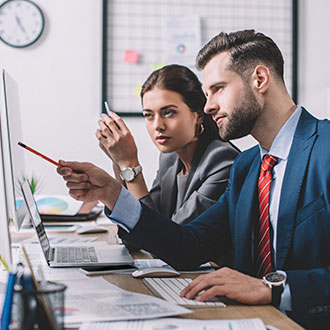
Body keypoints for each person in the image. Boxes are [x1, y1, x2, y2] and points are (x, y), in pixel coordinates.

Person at [58, 30, 330, 329]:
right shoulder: (247, 166)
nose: (209, 106)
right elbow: (189, 245)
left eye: (218, 89)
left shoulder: (324, 147)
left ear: (260, 79)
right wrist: (112, 194)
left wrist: (272, 288)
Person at [96, 65, 239, 226]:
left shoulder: (222, 161)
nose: (158, 125)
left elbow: (162, 239)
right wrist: (118, 161)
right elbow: (140, 221)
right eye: (149, 115)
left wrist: (130, 164)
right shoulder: (169, 158)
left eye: (169, 112)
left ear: (198, 115)